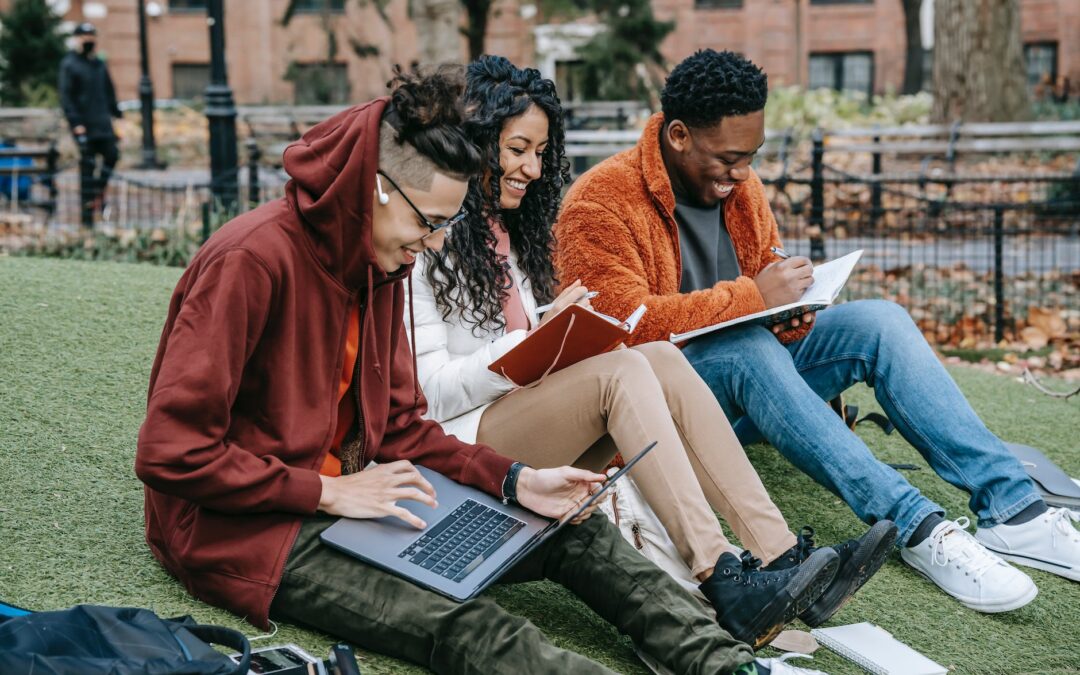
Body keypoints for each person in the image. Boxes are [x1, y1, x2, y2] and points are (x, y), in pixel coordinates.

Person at [134, 65, 820, 675]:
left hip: (371, 493)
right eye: (427, 222)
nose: (431, 244)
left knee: (573, 528)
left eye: (443, 225)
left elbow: (405, 425)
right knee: (466, 627)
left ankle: (732, 665)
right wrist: (324, 491)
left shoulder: (379, 262)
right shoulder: (249, 262)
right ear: (376, 191)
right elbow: (170, 452)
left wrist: (519, 479)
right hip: (255, 530)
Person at [554, 49, 1080, 613]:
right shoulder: (599, 202)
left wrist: (789, 310)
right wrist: (754, 299)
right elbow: (616, 333)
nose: (741, 175)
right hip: (667, 405)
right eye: (729, 159)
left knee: (880, 321)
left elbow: (764, 272)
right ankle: (918, 527)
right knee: (742, 346)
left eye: (751, 157)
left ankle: (1013, 511)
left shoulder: (741, 185)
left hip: (754, 374)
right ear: (679, 135)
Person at [407, 55, 895, 649]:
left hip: (523, 412)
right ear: (475, 141)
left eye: (540, 153)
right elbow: (428, 394)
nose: (531, 169)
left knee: (658, 358)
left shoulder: (516, 233)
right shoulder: (421, 236)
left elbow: (530, 343)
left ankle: (778, 556)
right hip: (461, 444)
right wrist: (535, 341)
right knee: (621, 371)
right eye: (516, 150)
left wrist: (556, 333)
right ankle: (721, 575)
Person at [58, 22, 121, 228]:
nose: (88, 40)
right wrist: (76, 123)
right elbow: (67, 98)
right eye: (84, 36)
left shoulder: (99, 64)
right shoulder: (69, 64)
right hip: (84, 126)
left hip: (103, 123)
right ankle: (87, 220)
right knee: (87, 168)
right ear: (77, 38)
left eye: (91, 36)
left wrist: (117, 116)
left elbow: (109, 92)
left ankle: (96, 193)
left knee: (112, 155)